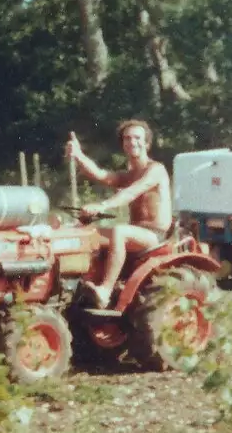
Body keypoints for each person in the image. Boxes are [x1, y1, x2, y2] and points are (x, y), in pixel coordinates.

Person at [65, 119, 172, 308]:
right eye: (127, 138)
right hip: (137, 232)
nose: (132, 142)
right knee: (87, 233)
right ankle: (75, 288)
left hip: (155, 236)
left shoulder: (156, 170)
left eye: (137, 138)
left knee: (119, 231)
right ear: (123, 144)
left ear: (147, 143)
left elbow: (132, 192)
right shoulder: (129, 174)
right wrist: (79, 156)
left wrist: (102, 205)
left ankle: (105, 291)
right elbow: (101, 175)